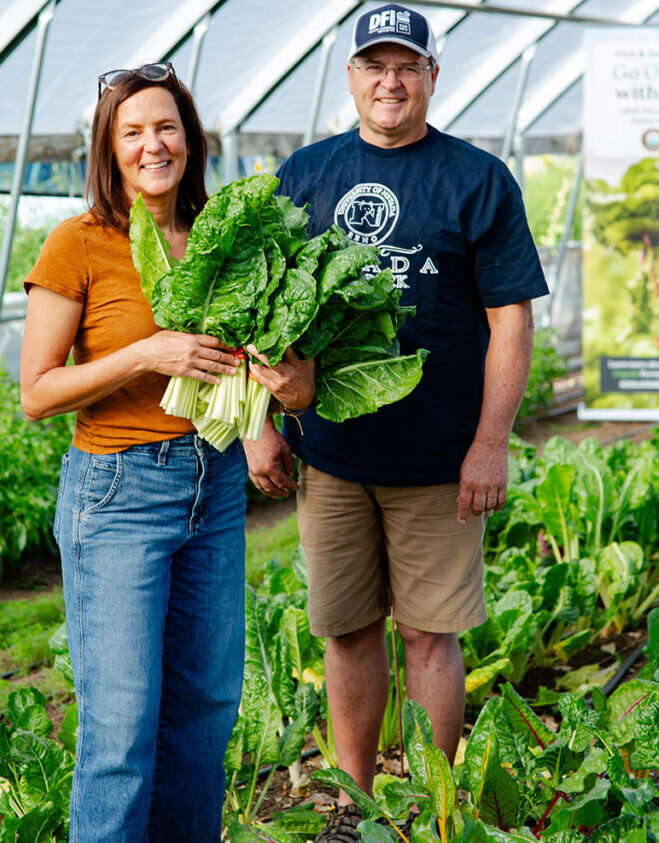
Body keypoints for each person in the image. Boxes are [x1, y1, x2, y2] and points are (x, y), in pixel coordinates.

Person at [243, 4, 549, 840]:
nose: (389, 81)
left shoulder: (475, 180)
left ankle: (431, 803)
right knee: (345, 630)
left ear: (430, 79)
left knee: (428, 633)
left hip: (440, 460)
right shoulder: (303, 175)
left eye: (406, 66)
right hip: (331, 455)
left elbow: (510, 321)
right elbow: (258, 312)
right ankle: (353, 801)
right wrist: (255, 424)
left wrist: (489, 444)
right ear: (349, 77)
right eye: (374, 65)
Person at [20, 64, 314, 843]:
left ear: (191, 137)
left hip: (212, 487)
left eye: (167, 126)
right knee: (120, 729)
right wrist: (145, 354)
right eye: (133, 132)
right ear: (108, 150)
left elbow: (268, 363)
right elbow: (38, 392)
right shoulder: (79, 242)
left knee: (206, 709)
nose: (154, 144)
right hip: (116, 493)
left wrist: (271, 409)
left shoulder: (229, 233)